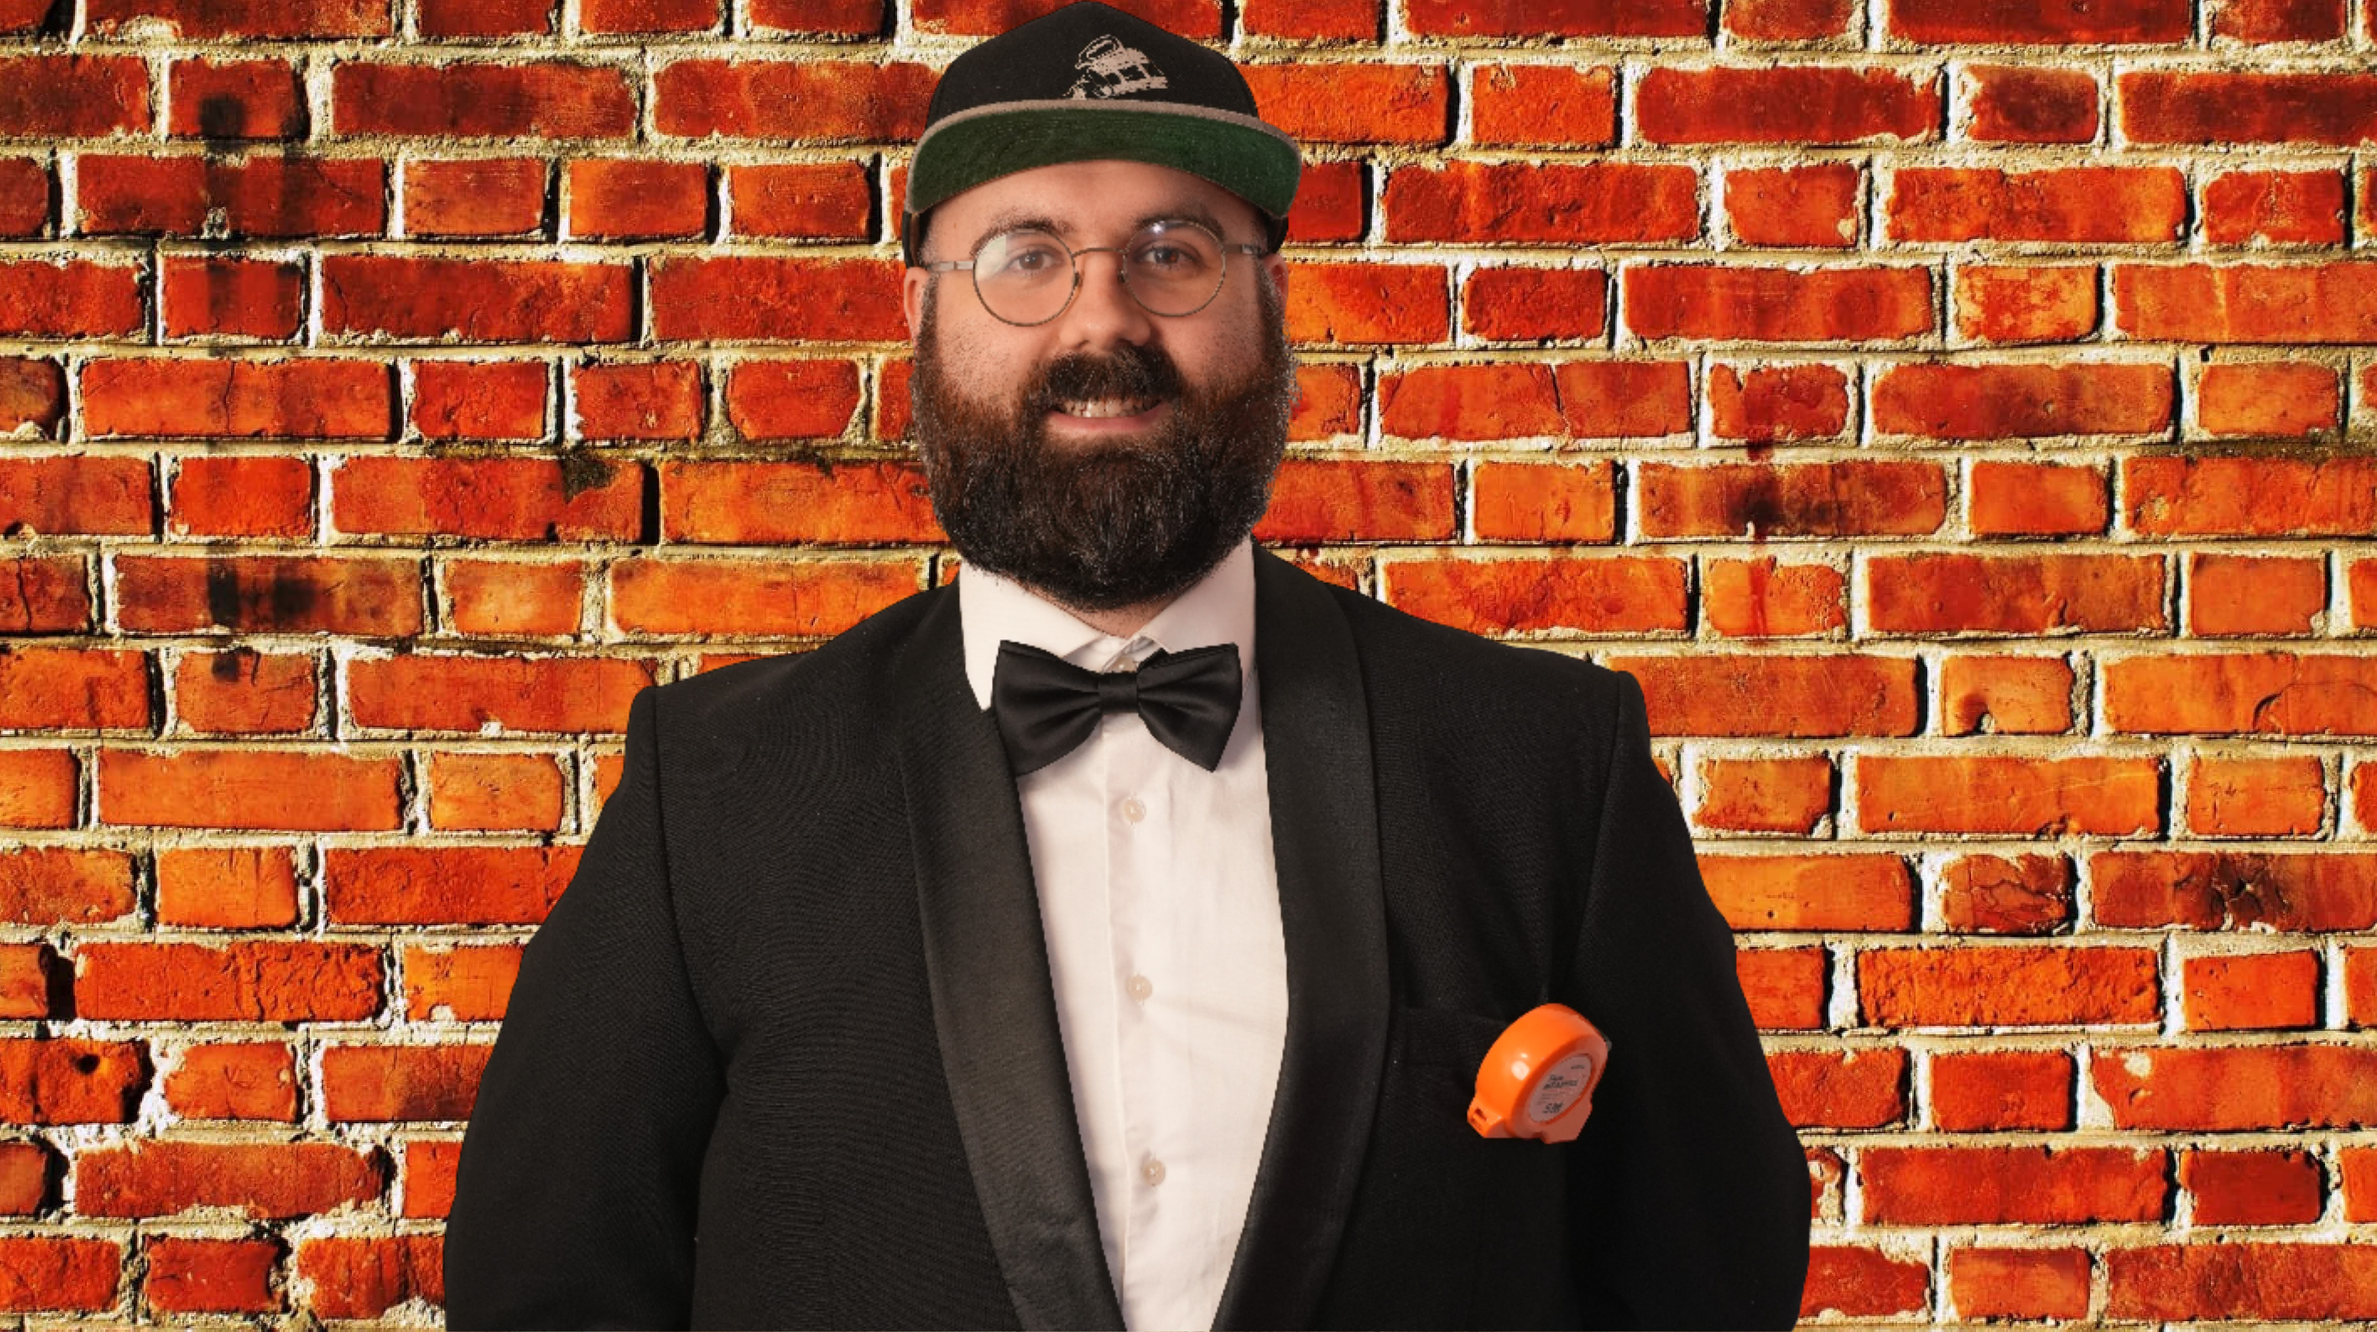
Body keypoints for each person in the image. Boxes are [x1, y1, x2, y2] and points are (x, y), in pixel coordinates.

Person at [442, 4, 1810, 1327]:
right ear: (920, 311)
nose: (1103, 326)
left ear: (1269, 298)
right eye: (1025, 256)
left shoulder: (1542, 763)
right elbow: (549, 1295)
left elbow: (1708, 1277)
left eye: (1173, 252)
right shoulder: (718, 792)